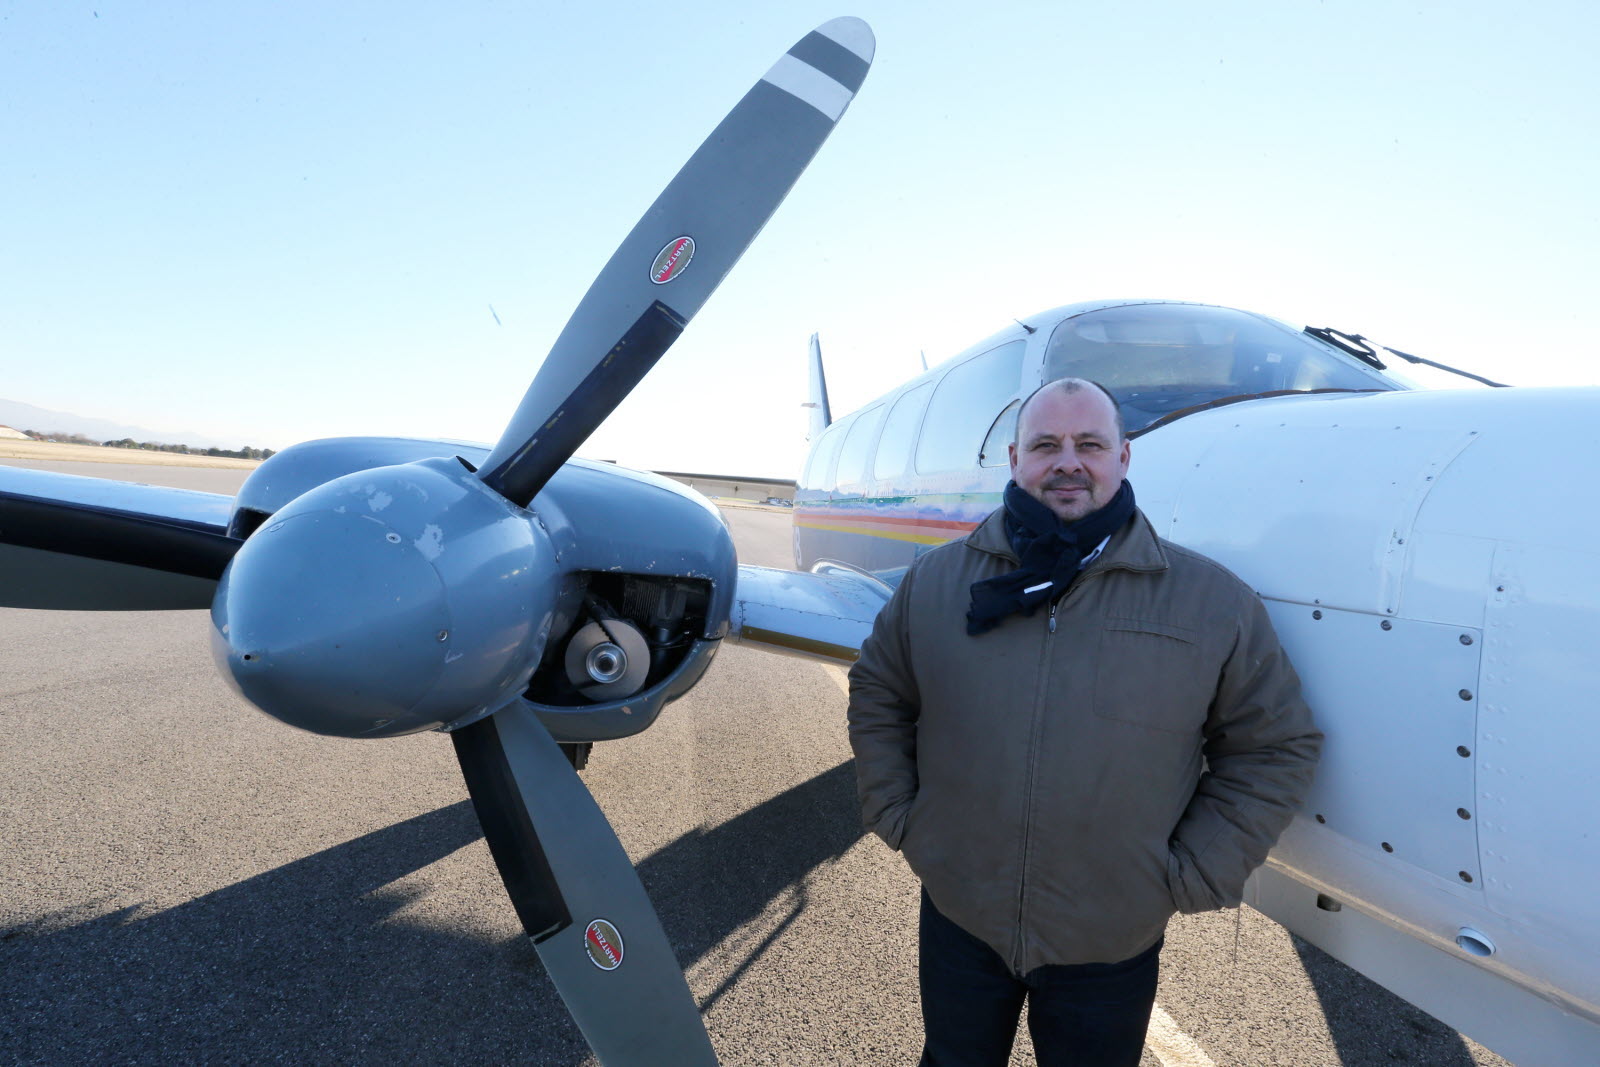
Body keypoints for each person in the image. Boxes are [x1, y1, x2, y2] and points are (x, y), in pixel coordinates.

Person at [847, 377, 1322, 1066]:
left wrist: (1187, 872)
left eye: (1089, 444)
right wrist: (899, 814)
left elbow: (1276, 744)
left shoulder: (1210, 601)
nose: (1067, 461)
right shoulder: (940, 582)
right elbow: (880, 691)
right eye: (1046, 444)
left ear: (1123, 457)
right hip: (961, 915)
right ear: (1015, 459)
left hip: (1109, 939)